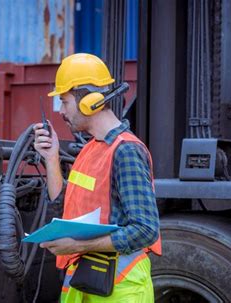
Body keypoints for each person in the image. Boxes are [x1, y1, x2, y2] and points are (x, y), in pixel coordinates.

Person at [33, 53, 161, 303]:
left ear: (89, 101)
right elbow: (65, 205)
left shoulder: (126, 151)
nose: (61, 111)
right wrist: (51, 158)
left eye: (65, 101)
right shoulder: (92, 148)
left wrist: (79, 246)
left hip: (120, 287)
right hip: (87, 282)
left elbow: (146, 231)